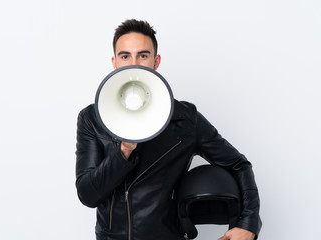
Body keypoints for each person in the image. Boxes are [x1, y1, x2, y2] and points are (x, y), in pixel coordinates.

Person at [75, 19, 262, 240]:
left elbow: (238, 164)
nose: (134, 63)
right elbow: (87, 195)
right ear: (115, 62)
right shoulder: (92, 118)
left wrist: (248, 224)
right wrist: (123, 151)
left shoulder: (185, 119)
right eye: (125, 56)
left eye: (143, 55)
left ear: (156, 61)